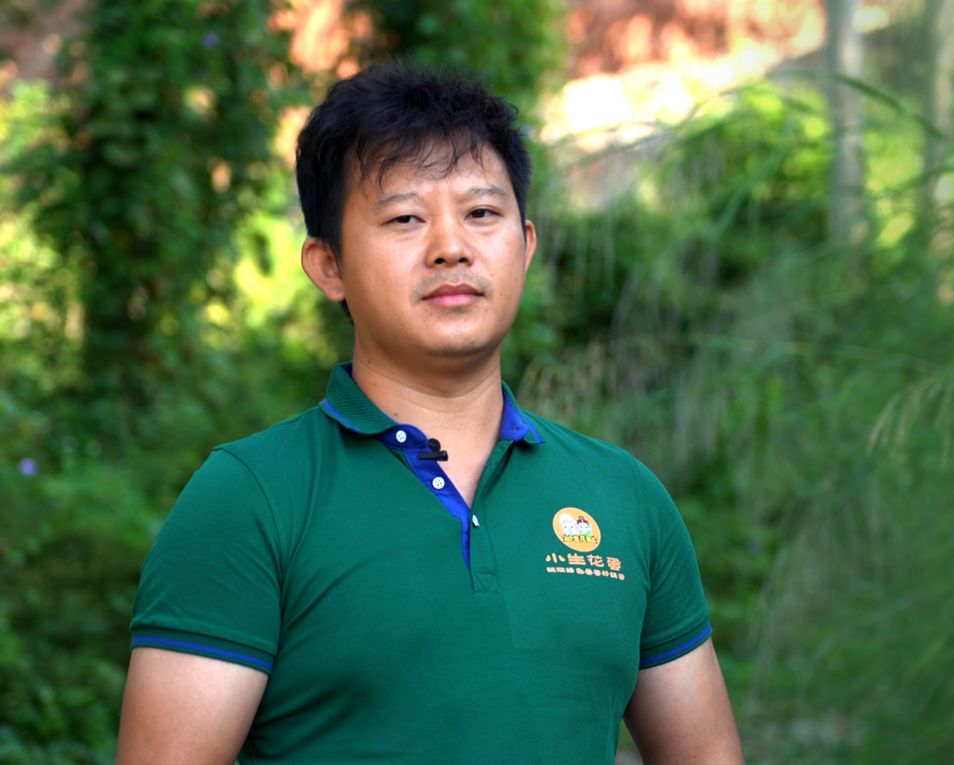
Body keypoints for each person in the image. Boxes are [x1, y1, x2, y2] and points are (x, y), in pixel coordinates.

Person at [115, 61, 745, 765]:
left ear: (526, 245)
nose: (451, 247)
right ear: (328, 265)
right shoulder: (250, 498)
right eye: (405, 218)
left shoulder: (624, 496)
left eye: (482, 214)